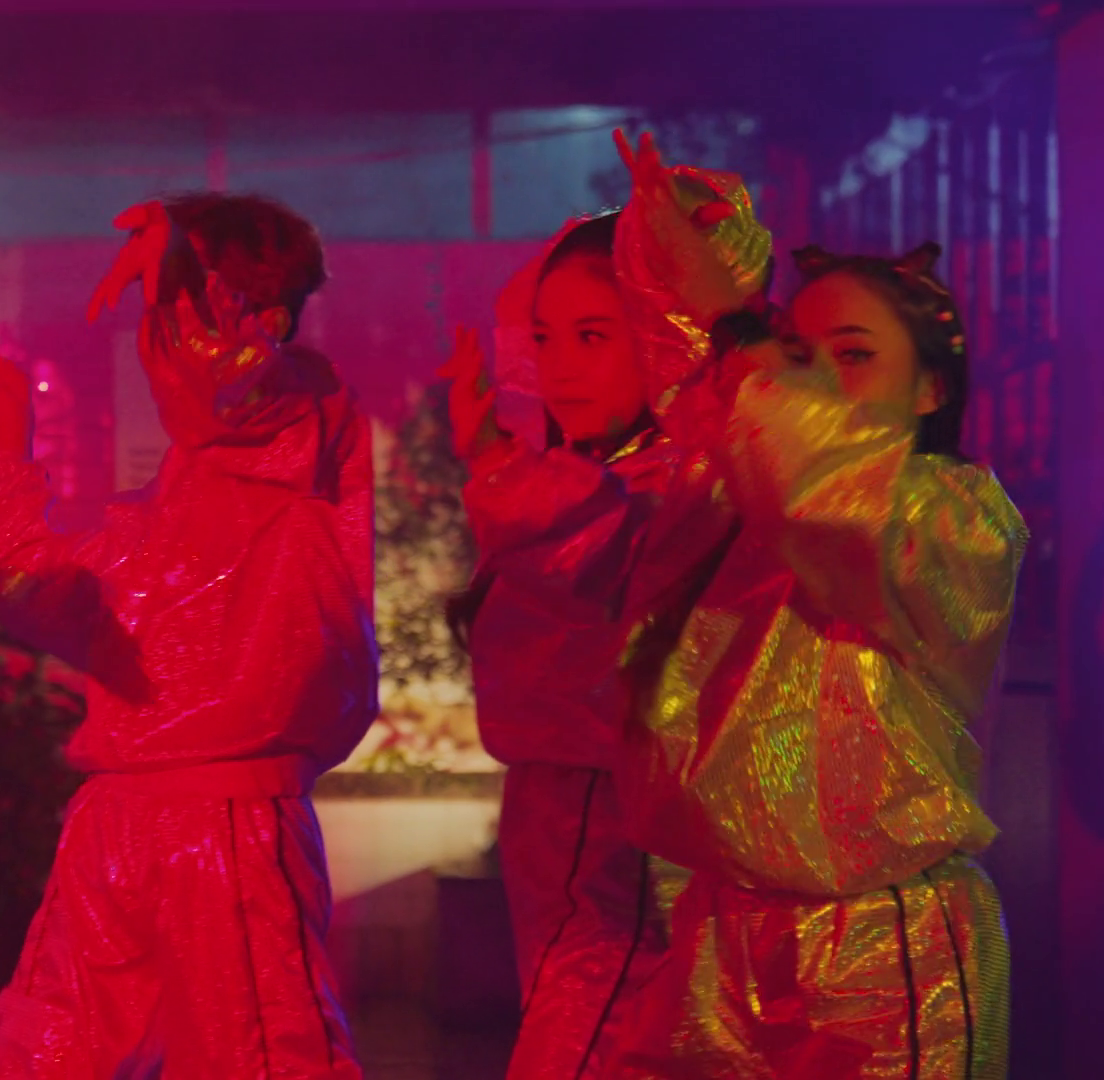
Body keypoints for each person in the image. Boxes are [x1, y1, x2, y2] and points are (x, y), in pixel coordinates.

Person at [478, 133, 1023, 1079]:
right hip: (723, 932)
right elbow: (706, 392)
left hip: (880, 949)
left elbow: (827, 485)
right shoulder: (740, 499)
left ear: (932, 386)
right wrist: (680, 244)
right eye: (801, 355)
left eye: (855, 355)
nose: (815, 379)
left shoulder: (954, 521)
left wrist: (734, 320)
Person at [0, 193, 378, 1078]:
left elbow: (226, 392)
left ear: (266, 320)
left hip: (226, 824)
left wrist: (175, 275)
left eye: (196, 298)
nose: (166, 332)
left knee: (260, 1058)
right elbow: (30, 591)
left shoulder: (308, 420)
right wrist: (12, 431)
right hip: (118, 822)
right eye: (171, 303)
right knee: (45, 1053)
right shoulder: (172, 503)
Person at [439, 174, 766, 1077]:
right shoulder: (609, 473)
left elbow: (590, 559)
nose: (559, 366)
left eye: (593, 336)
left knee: (592, 1037)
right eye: (544, 338)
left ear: (667, 336)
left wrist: (495, 463)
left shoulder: (681, 484)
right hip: (564, 827)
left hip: (625, 835)